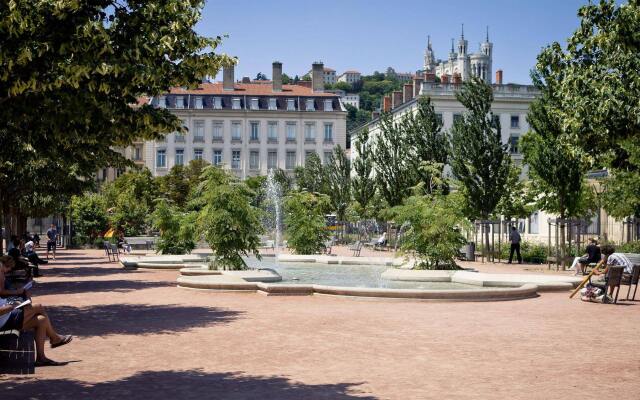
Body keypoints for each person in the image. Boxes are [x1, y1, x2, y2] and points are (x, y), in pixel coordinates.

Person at [0, 257, 72, 366]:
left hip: (8, 314)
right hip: (5, 318)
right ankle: (54, 338)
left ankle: (41, 358)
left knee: (41, 320)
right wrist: (12, 306)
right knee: (38, 306)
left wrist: (17, 300)